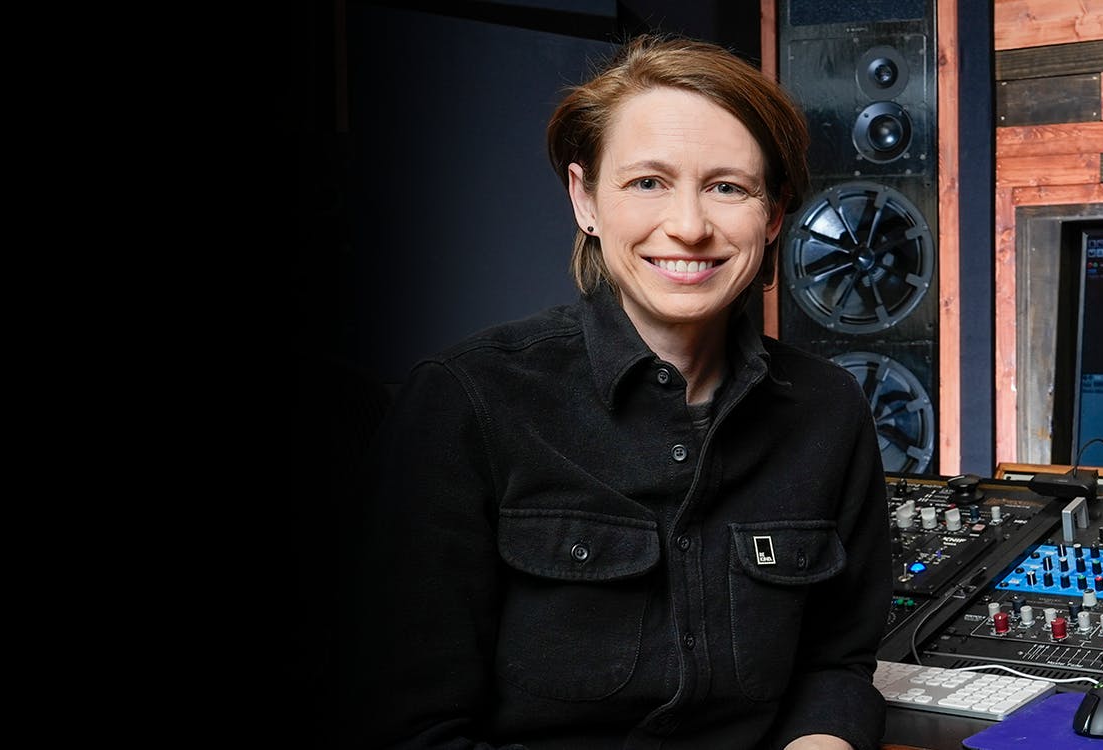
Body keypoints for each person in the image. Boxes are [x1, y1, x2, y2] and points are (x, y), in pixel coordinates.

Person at [359, 35, 891, 750]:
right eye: (647, 183)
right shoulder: (465, 402)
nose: (689, 226)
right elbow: (407, 727)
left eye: (727, 187)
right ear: (585, 199)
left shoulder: (829, 410)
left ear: (772, 215)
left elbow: (836, 663)